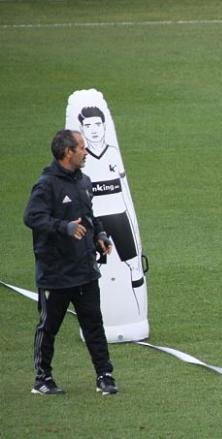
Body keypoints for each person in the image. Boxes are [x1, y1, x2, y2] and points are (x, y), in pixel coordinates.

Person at [24, 129, 118, 395]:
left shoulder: (84, 182)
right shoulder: (46, 185)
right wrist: (63, 227)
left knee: (94, 324)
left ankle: (105, 375)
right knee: (49, 327)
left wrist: (99, 233)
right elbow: (32, 218)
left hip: (85, 270)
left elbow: (89, 217)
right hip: (55, 273)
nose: (85, 152)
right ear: (68, 152)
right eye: (82, 148)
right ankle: (42, 379)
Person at [78, 106, 145, 291]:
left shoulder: (113, 153)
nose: (94, 129)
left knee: (133, 264)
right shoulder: (82, 159)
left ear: (104, 126)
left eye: (97, 124)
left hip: (118, 215)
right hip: (95, 217)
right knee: (95, 262)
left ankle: (135, 306)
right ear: (82, 129)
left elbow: (123, 187)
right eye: (88, 125)